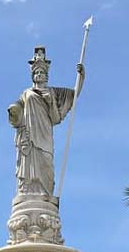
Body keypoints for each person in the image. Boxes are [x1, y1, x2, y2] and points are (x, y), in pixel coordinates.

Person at [8, 46, 85, 199]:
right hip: (29, 136)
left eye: (42, 72)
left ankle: (46, 193)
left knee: (46, 164)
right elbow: (16, 112)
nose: (39, 75)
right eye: (36, 72)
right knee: (29, 165)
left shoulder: (53, 92)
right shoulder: (26, 94)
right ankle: (27, 192)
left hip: (45, 136)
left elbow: (74, 95)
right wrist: (14, 112)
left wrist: (81, 76)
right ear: (33, 75)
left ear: (47, 75)